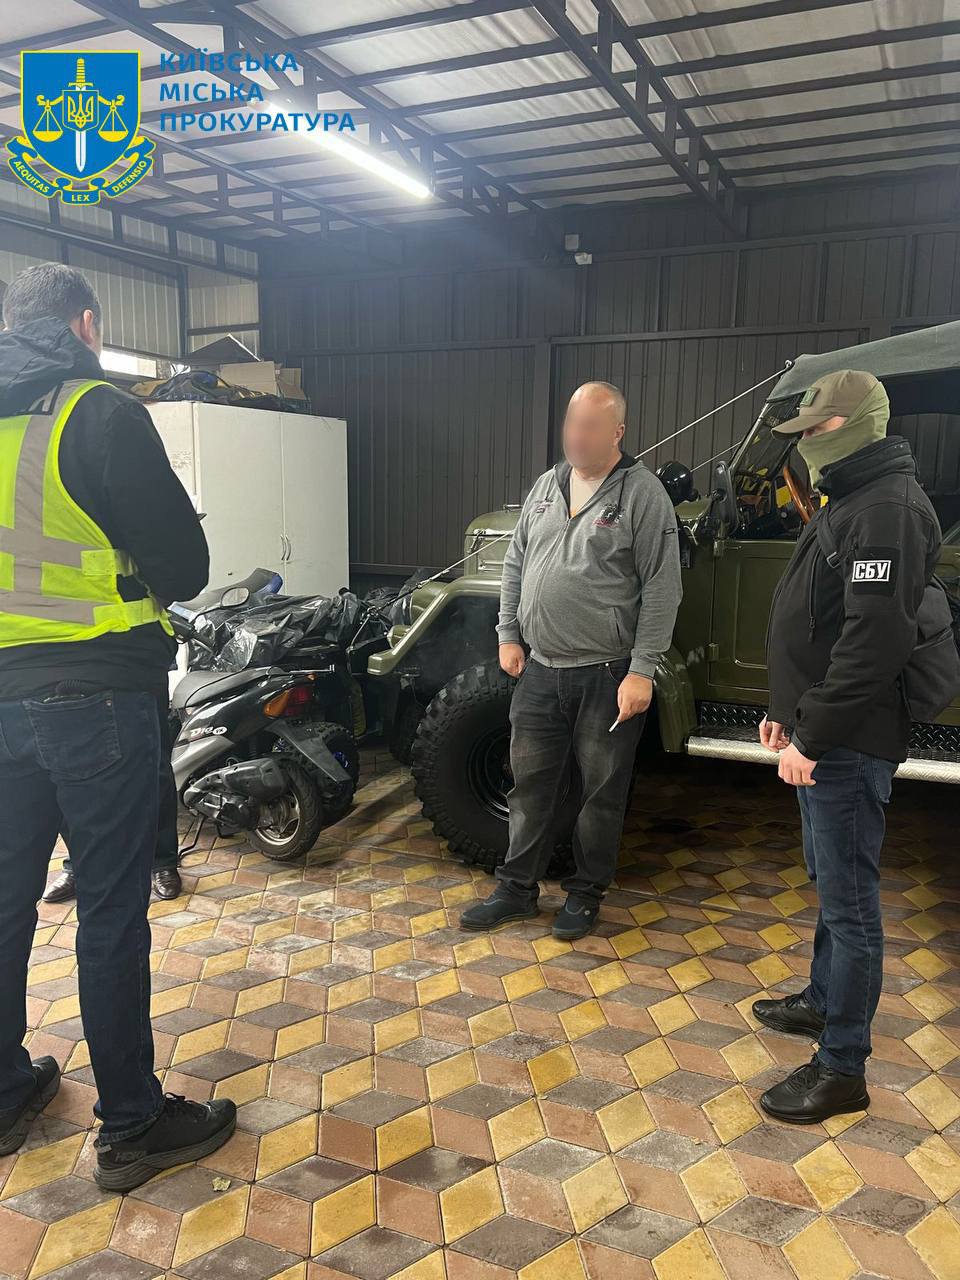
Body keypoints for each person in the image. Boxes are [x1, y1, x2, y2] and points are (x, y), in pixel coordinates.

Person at [0, 264, 235, 1186]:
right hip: (95, 693)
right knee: (107, 907)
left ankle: (3, 1090)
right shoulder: (95, 413)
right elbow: (183, 565)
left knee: (5, 900)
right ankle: (132, 1124)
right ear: (87, 325)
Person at [755, 368, 942, 1124]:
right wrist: (786, 713)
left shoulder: (889, 508)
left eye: (817, 429)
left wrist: (815, 733)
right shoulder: (854, 497)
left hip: (848, 742)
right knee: (831, 884)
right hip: (823, 732)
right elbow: (821, 619)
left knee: (852, 904)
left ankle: (841, 1067)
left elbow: (875, 641)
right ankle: (822, 999)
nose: (806, 444)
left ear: (858, 423)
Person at [460, 381, 682, 940]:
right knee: (529, 789)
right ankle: (516, 890)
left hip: (606, 673)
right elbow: (515, 561)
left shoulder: (642, 493)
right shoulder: (548, 484)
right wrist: (508, 634)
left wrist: (642, 670)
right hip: (539, 669)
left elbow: (662, 587)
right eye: (571, 423)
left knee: (600, 796)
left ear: (617, 432)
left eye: (589, 426)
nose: (576, 436)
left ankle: (585, 895)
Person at [44, 705, 183, 903]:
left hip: (135, 692)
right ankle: (78, 863)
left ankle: (163, 861)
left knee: (154, 772)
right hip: (58, 695)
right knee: (66, 774)